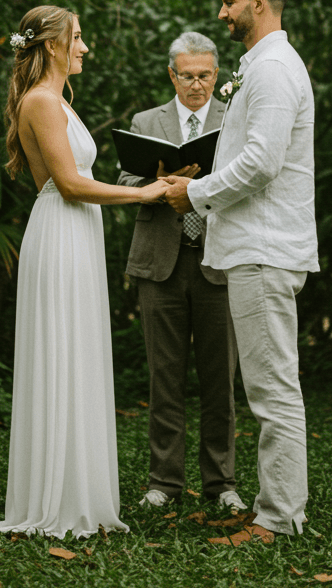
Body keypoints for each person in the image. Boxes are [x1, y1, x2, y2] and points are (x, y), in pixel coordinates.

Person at [0, 4, 169, 540]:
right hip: (62, 231)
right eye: (79, 38)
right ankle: (56, 500)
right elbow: (68, 184)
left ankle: (79, 489)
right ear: (53, 46)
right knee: (60, 350)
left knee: (78, 351)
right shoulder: (42, 101)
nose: (85, 47)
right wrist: (144, 193)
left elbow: (70, 179)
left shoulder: (58, 101)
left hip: (74, 231)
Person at [162, 0, 317, 543]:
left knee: (274, 390)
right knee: (266, 387)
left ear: (258, 4)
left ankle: (279, 520)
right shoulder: (261, 66)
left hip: (265, 248)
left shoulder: (274, 69)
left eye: (229, 2)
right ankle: (268, 508)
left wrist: (193, 192)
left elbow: (262, 162)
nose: (221, 12)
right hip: (255, 247)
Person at [117, 32, 243, 511]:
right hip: (160, 264)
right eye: (187, 76)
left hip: (219, 260)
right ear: (172, 75)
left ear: (217, 75)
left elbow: (248, 182)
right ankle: (164, 484)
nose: (196, 84)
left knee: (220, 381)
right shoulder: (146, 122)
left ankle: (221, 485)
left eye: (205, 75)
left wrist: (201, 185)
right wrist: (166, 183)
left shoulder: (235, 119)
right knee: (163, 379)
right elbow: (125, 180)